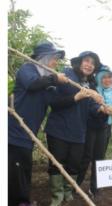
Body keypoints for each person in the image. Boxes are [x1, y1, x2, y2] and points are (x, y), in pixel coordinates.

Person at [44, 51, 111, 206]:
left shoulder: (91, 84)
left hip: (79, 132)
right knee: (57, 162)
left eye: (93, 63)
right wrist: (76, 97)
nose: (89, 65)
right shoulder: (66, 76)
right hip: (59, 129)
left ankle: (68, 194)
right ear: (79, 62)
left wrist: (101, 110)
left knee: (75, 163)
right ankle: (57, 196)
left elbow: (91, 108)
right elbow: (54, 102)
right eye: (86, 61)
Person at [8, 42, 68, 206]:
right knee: (16, 170)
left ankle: (22, 200)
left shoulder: (47, 82)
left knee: (24, 168)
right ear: (44, 58)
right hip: (13, 130)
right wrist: (55, 78)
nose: (56, 63)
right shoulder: (28, 69)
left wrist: (79, 95)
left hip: (28, 133)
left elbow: (56, 101)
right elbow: (33, 84)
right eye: (54, 58)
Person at [77, 65, 112, 198]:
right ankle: (75, 185)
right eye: (104, 77)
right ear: (99, 78)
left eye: (109, 77)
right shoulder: (93, 89)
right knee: (86, 157)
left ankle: (94, 188)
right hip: (91, 127)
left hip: (105, 129)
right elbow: (90, 108)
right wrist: (102, 109)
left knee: (99, 158)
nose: (107, 80)